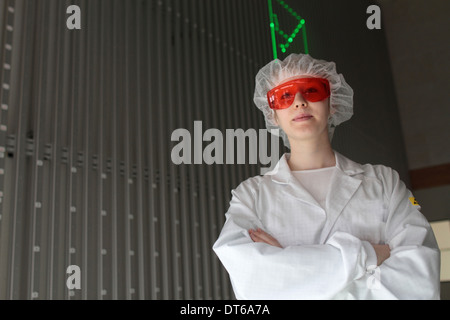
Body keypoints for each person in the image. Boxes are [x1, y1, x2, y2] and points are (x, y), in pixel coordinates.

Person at [212, 53, 440, 299]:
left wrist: (293, 270)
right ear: (273, 115)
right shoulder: (250, 196)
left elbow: (419, 276)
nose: (299, 101)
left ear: (332, 103)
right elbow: (256, 283)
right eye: (284, 96)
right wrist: (370, 256)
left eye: (311, 90)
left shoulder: (385, 182)